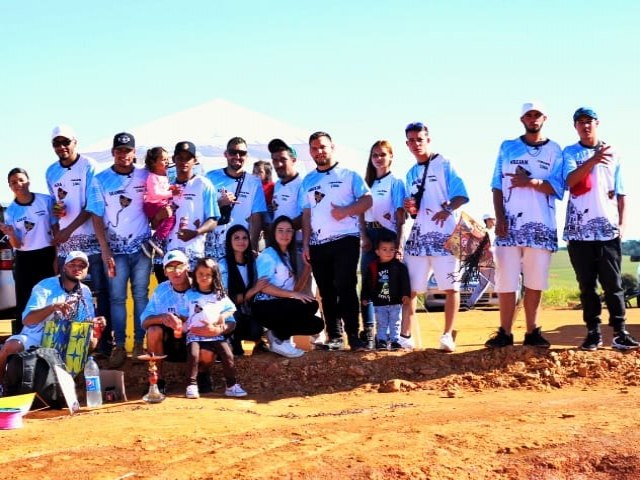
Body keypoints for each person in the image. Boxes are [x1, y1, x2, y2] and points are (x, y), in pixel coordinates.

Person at [484, 102, 564, 349]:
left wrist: (531, 182)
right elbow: (497, 185)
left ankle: (533, 331)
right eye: (528, 115)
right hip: (509, 226)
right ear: (522, 120)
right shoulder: (507, 147)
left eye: (537, 115)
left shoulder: (554, 150)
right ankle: (505, 332)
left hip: (540, 225)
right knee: (506, 281)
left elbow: (559, 187)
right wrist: (500, 217)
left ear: (544, 118)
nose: (533, 119)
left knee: (535, 282)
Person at [563, 107, 639, 351]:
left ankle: (620, 332)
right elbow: (569, 181)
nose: (586, 126)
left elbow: (621, 192)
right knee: (587, 285)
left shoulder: (614, 153)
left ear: (598, 123)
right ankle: (593, 333)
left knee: (613, 284)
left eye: (589, 121)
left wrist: (622, 224)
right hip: (578, 231)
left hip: (607, 230)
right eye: (580, 122)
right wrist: (593, 160)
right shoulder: (570, 152)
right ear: (575, 126)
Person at [401, 122, 469, 352]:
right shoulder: (410, 173)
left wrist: (447, 209)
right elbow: (413, 209)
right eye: (411, 140)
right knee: (409, 289)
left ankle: (447, 335)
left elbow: (462, 195)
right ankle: (406, 335)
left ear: (428, 140)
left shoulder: (444, 164)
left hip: (445, 237)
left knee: (451, 287)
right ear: (406, 143)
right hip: (419, 238)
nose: (415, 144)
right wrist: (409, 207)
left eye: (419, 139)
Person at [302, 131, 372, 351]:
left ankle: (354, 335)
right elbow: (306, 213)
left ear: (332, 147)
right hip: (318, 243)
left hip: (345, 239)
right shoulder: (308, 180)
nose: (319, 151)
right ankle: (334, 336)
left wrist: (346, 211)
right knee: (326, 290)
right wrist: (305, 243)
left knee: (345, 285)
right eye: (314, 148)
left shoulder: (349, 174)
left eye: (323, 147)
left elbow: (368, 200)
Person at [46, 125, 112, 356]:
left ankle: (103, 344)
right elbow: (56, 206)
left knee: (99, 292)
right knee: (65, 294)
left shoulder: (89, 166)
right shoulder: (50, 172)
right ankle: (69, 344)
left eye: (66, 142)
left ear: (75, 142)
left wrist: (70, 229)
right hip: (66, 245)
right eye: (57, 143)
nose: (62, 147)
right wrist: (58, 217)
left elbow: (92, 206)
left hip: (91, 241)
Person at [0, 251, 104, 393]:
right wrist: (52, 307)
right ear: (64, 267)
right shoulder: (45, 286)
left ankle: (65, 387)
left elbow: (86, 322)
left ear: (86, 270)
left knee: (92, 340)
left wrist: (96, 324)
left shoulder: (85, 291)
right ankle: (1, 385)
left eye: (82, 266)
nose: (77, 268)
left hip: (66, 336)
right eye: (72, 264)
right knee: (10, 346)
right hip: (37, 334)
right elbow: (27, 319)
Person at [91, 132, 151, 367]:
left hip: (142, 248)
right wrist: (105, 250)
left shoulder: (145, 176)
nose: (123, 155)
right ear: (113, 152)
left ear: (134, 152)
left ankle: (139, 343)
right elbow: (96, 216)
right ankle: (119, 346)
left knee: (140, 295)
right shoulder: (101, 179)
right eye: (119, 151)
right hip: (115, 250)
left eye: (127, 151)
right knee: (117, 298)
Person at [253, 215, 324, 357]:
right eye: (280, 230)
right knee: (305, 305)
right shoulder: (268, 254)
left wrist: (307, 269)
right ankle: (280, 341)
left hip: (282, 304)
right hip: (263, 306)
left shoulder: (288, 256)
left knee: (316, 321)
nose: (284, 234)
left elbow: (295, 290)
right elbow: (263, 287)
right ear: (273, 233)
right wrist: (293, 295)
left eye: (289, 231)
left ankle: (277, 334)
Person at [359, 140, 406, 349]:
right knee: (369, 282)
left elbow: (400, 215)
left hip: (387, 234)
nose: (378, 159)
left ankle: (392, 335)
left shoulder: (395, 183)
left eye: (382, 155)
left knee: (389, 284)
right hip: (369, 234)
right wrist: (363, 236)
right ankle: (370, 331)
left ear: (391, 157)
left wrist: (399, 243)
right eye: (375, 155)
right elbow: (360, 212)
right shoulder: (366, 183)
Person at [153, 141, 219, 282]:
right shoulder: (164, 185)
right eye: (180, 157)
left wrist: (195, 233)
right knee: (169, 298)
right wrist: (159, 216)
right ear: (174, 159)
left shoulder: (203, 184)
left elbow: (213, 219)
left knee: (191, 297)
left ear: (194, 161)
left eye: (188, 158)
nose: (183, 161)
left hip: (193, 255)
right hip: (166, 256)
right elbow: (153, 223)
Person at [1, 168, 57, 335]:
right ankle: (22, 339)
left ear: (28, 181)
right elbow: (17, 244)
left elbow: (56, 229)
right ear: (10, 186)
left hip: (47, 254)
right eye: (13, 182)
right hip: (25, 258)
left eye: (20, 180)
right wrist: (10, 234)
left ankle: (51, 336)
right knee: (25, 300)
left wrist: (56, 257)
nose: (18, 184)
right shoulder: (10, 211)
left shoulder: (45, 200)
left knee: (49, 297)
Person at [183, 258, 247, 398]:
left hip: (215, 334)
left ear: (214, 277)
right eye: (200, 274)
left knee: (228, 355)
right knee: (193, 355)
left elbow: (231, 308)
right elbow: (183, 314)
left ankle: (231, 385)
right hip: (194, 334)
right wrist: (181, 326)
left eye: (208, 274)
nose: (204, 277)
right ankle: (191, 385)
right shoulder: (189, 294)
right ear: (195, 275)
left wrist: (222, 316)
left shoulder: (220, 295)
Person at [141, 250, 193, 394]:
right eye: (170, 268)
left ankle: (201, 377)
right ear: (165, 272)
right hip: (170, 342)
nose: (176, 271)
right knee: (153, 330)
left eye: (180, 266)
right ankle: (157, 380)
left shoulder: (199, 286)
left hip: (194, 338)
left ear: (188, 267)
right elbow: (145, 321)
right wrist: (162, 318)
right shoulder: (161, 290)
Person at [205, 137, 267, 258]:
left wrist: (252, 247)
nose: (237, 156)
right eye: (233, 152)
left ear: (246, 156)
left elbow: (256, 219)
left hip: (240, 247)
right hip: (213, 246)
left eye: (242, 153)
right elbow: (201, 210)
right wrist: (220, 203)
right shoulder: (210, 177)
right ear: (226, 154)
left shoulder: (254, 182)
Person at [218, 224, 268, 356]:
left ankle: (260, 343)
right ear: (229, 241)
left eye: (245, 238)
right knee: (235, 316)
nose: (241, 241)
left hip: (250, 310)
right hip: (230, 312)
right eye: (236, 238)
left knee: (256, 329)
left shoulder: (254, 262)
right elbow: (227, 298)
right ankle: (231, 341)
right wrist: (253, 290)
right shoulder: (222, 265)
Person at [361, 234, 411, 350]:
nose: (388, 252)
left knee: (395, 322)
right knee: (381, 323)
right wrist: (365, 297)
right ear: (377, 252)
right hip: (379, 302)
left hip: (395, 301)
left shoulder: (399, 266)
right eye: (384, 249)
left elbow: (405, 281)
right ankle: (381, 341)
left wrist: (406, 294)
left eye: (391, 249)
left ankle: (395, 341)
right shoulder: (373, 267)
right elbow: (367, 284)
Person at [141, 146, 179, 258]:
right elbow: (155, 194)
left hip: (158, 203)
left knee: (169, 218)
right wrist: (172, 194)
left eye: (167, 159)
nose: (167, 162)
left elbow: (164, 190)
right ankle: (156, 239)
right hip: (152, 204)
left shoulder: (164, 176)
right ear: (153, 162)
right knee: (171, 217)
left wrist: (171, 189)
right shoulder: (152, 177)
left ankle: (157, 240)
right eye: (163, 159)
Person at [465, 213, 496, 309]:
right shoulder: (484, 232)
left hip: (485, 262)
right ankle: (511, 302)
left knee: (482, 284)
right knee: (499, 283)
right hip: (488, 262)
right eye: (492, 219)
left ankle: (469, 304)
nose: (494, 221)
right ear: (487, 220)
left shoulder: (486, 232)